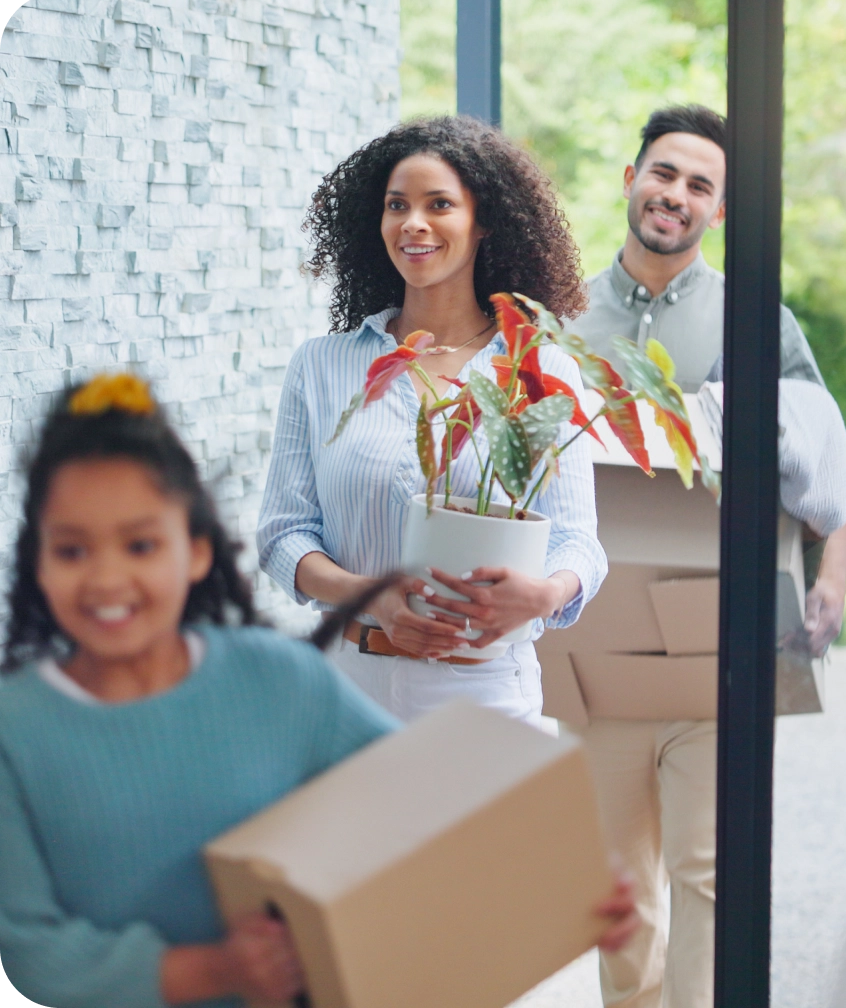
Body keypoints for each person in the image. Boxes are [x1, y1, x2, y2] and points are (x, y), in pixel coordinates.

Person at [0, 373, 639, 1007]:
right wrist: (216, 970)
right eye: (72, 550)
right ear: (38, 561)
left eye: (140, 544)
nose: (107, 579)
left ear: (195, 551)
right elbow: (30, 952)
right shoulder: (16, 731)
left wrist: (564, 882)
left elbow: (429, 806)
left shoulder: (277, 681)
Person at [566, 104, 846, 1008]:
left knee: (708, 874)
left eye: (700, 186)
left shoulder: (754, 318)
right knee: (614, 891)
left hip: (718, 640)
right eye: (664, 174)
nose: (676, 196)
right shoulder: (563, 315)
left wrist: (832, 577)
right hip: (597, 650)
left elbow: (827, 458)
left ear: (719, 211)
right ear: (631, 179)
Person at [257, 115, 607, 726]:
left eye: (439, 204)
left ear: (483, 223)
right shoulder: (322, 366)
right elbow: (284, 537)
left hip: (487, 696)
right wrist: (374, 599)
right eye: (398, 205)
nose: (413, 223)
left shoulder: (537, 367)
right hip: (348, 694)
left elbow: (578, 542)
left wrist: (546, 595)